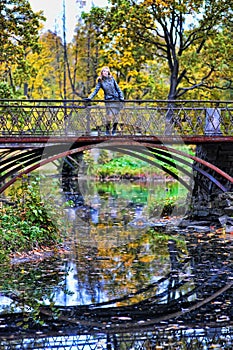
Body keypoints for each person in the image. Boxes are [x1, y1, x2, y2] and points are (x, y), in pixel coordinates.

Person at [85, 66, 124, 135]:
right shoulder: (101, 81)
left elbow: (118, 88)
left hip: (116, 99)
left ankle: (114, 130)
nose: (105, 73)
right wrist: (89, 98)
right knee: (109, 116)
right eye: (104, 71)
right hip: (109, 100)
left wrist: (121, 97)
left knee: (116, 117)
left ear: (108, 72)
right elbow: (95, 91)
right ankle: (107, 130)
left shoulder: (112, 79)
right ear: (102, 73)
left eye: (106, 71)